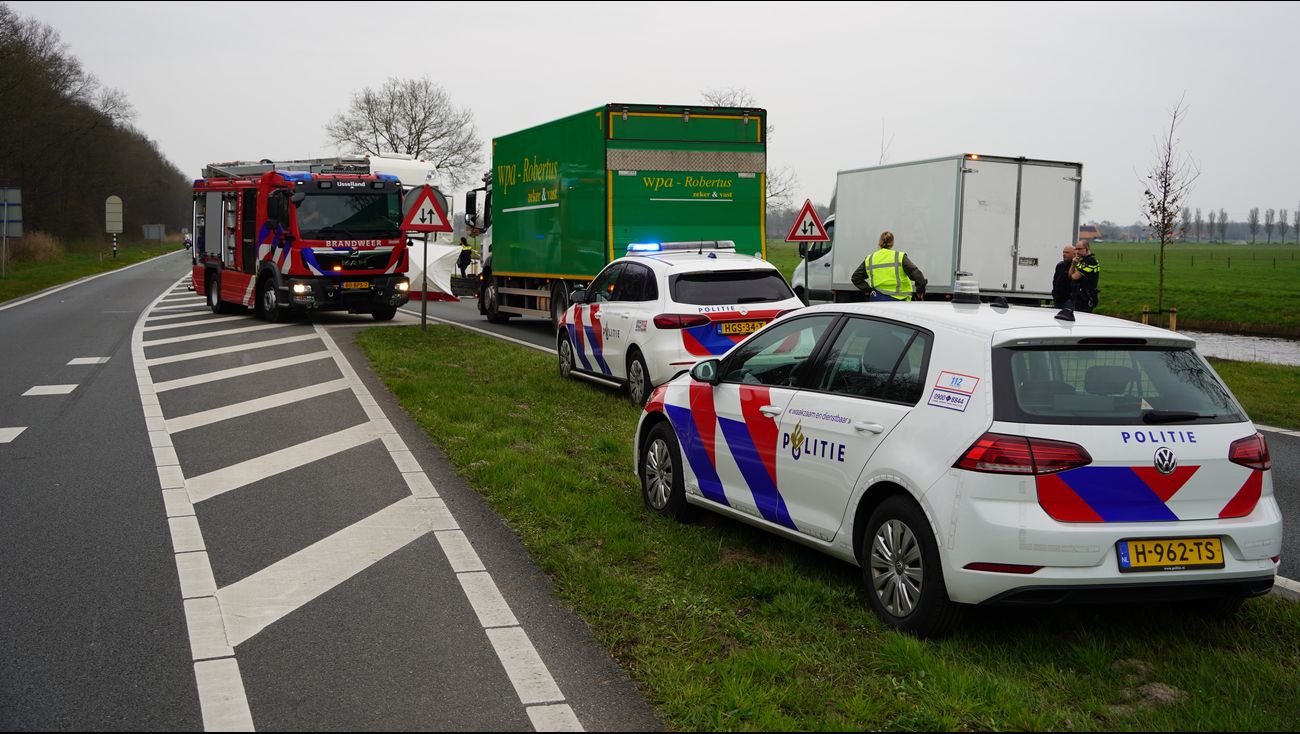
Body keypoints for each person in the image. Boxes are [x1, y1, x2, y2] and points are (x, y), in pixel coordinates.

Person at [850, 231, 927, 302]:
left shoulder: (870, 259)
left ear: (879, 242)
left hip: (877, 300)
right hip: (899, 301)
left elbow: (855, 278)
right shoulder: (899, 257)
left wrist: (868, 290)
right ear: (892, 243)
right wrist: (920, 291)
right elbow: (917, 275)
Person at [1052, 243, 1076, 308]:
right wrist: (1054, 293)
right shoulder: (1060, 265)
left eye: (1067, 252)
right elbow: (1055, 281)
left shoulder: (1076, 266)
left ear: (1074, 254)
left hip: (1068, 301)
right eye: (1063, 252)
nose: (1064, 254)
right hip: (1058, 299)